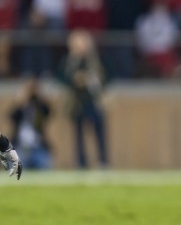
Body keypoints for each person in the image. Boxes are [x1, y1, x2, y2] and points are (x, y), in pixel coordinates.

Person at [57, 30, 109, 168]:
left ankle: (103, 161)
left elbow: (106, 77)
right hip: (76, 102)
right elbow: (61, 77)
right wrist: (75, 79)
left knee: (99, 131)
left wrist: (90, 79)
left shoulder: (96, 59)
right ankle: (81, 162)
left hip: (94, 100)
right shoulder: (69, 61)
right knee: (78, 134)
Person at [9, 77, 53, 169]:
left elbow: (48, 112)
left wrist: (39, 98)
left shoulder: (39, 107)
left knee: (47, 166)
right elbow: (12, 117)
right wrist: (20, 102)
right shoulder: (20, 109)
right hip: (21, 148)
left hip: (38, 147)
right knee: (16, 170)